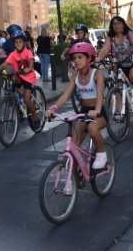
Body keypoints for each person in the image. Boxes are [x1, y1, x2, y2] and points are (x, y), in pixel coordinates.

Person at [45, 43, 108, 172]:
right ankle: (72, 181)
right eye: (74, 58)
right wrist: (53, 108)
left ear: (89, 58)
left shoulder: (97, 74)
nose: (76, 61)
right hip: (84, 111)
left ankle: (102, 154)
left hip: (98, 112)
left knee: (92, 127)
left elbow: (100, 95)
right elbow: (66, 94)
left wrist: (96, 110)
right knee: (73, 147)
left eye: (80, 57)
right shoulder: (75, 76)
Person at [96, 16, 133, 103]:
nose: (116, 25)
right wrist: (98, 58)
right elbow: (105, 49)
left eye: (119, 23)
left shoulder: (129, 34)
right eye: (114, 24)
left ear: (123, 25)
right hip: (122, 63)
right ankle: (119, 113)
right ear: (112, 26)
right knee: (118, 86)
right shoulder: (110, 37)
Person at [0, 30, 39, 126]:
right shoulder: (13, 54)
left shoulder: (28, 52)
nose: (18, 44)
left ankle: (35, 117)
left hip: (29, 78)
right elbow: (5, 63)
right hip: (20, 76)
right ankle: (15, 99)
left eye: (20, 41)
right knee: (12, 78)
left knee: (26, 99)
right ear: (14, 43)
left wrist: (29, 68)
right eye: (16, 42)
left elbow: (31, 61)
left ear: (24, 42)